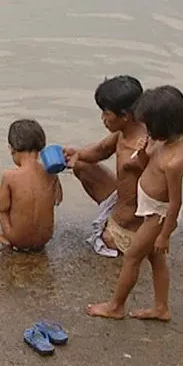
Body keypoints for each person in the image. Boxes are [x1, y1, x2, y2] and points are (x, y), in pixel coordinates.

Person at [87, 85, 183, 322]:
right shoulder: (163, 142)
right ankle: (161, 308)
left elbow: (175, 202)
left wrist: (164, 235)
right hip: (149, 209)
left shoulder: (174, 161)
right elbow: (147, 165)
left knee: (132, 257)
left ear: (163, 124)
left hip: (158, 215)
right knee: (156, 260)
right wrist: (144, 153)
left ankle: (116, 306)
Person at [63, 75, 147, 257]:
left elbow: (161, 193)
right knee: (81, 164)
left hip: (135, 218)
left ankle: (134, 232)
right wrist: (76, 153)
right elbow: (101, 150)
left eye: (106, 113)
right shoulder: (123, 133)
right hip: (121, 199)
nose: (103, 118)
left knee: (108, 239)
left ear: (124, 116)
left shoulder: (142, 150)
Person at [0, 119, 63, 251]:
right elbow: (58, 200)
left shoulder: (9, 176)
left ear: (12, 149)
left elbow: (2, 207)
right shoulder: (51, 173)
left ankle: (6, 237)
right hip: (45, 238)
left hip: (18, 240)